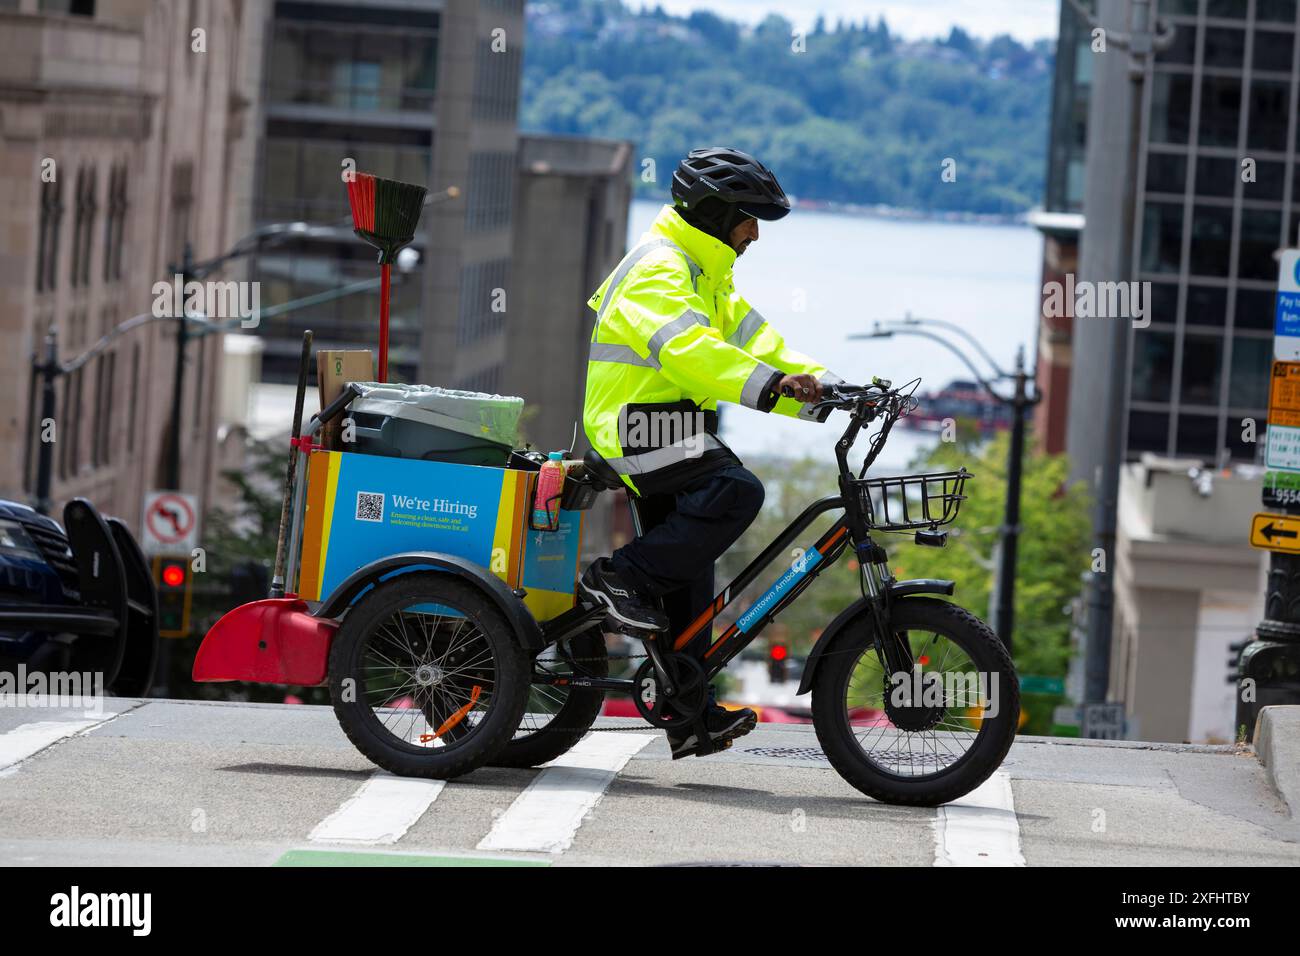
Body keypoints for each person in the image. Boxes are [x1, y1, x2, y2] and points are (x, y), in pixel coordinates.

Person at [578, 146, 843, 758]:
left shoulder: (707, 275)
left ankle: (687, 713)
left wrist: (824, 387)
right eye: (748, 218)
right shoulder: (659, 268)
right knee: (737, 489)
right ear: (716, 210)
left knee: (691, 585)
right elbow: (691, 352)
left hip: (669, 428)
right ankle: (615, 578)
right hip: (630, 429)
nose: (754, 233)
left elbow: (758, 343)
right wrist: (773, 386)